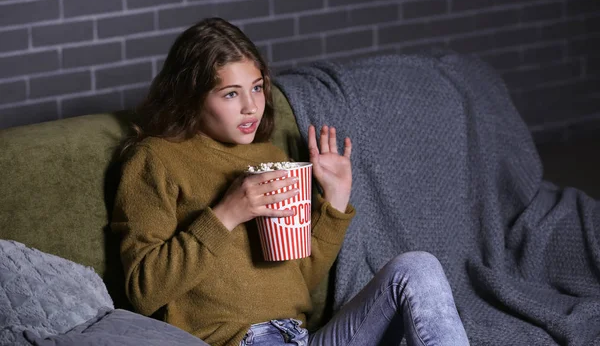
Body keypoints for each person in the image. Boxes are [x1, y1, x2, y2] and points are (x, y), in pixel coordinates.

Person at [111, 17, 470, 346]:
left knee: (418, 267)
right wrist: (226, 214)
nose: (252, 107)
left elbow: (297, 277)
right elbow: (143, 291)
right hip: (240, 342)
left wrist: (336, 199)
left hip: (301, 338)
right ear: (191, 97)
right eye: (231, 94)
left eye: (257, 87)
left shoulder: (269, 156)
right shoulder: (155, 159)